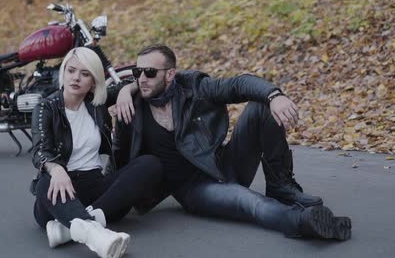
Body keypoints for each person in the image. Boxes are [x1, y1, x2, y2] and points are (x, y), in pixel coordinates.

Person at [113, 44, 351, 240]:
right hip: (195, 190)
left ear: (170, 74)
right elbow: (117, 149)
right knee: (250, 203)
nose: (142, 78)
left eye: (150, 72)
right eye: (137, 72)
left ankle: (281, 185)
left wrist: (275, 96)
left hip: (223, 164)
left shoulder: (194, 87)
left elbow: (238, 84)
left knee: (261, 104)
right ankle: (303, 222)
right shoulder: (132, 109)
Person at [29, 47, 163, 258]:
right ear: (63, 71)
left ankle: (69, 228)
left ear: (94, 80)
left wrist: (126, 92)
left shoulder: (96, 103)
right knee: (46, 182)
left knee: (150, 164)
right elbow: (40, 149)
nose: (76, 78)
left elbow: (127, 84)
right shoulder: (46, 107)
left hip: (95, 187)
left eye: (85, 74)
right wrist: (56, 169)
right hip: (59, 191)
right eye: (71, 70)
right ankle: (96, 234)